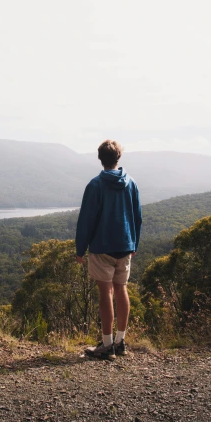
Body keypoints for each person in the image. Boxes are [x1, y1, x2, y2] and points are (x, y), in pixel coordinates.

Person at [75, 139, 142, 360]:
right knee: (121, 289)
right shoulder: (130, 182)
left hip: (102, 246)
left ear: (100, 158)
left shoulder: (95, 185)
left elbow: (86, 220)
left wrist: (80, 248)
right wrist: (134, 243)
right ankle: (120, 341)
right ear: (118, 158)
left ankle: (107, 345)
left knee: (106, 294)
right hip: (125, 245)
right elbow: (137, 216)